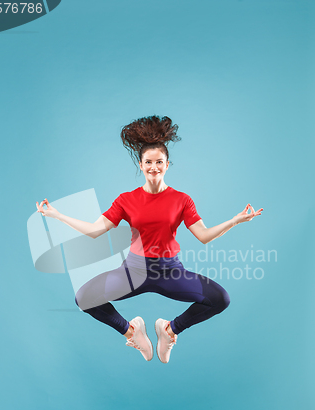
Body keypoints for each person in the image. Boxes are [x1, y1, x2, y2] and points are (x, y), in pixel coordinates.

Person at [36, 115, 263, 364]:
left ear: (168, 164)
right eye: (148, 162)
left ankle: (169, 330)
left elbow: (204, 236)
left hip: (170, 272)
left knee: (221, 300)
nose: (154, 167)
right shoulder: (126, 199)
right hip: (133, 272)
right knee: (83, 299)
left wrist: (234, 220)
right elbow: (94, 230)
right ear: (141, 165)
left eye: (159, 162)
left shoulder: (182, 200)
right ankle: (132, 332)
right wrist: (56, 215)